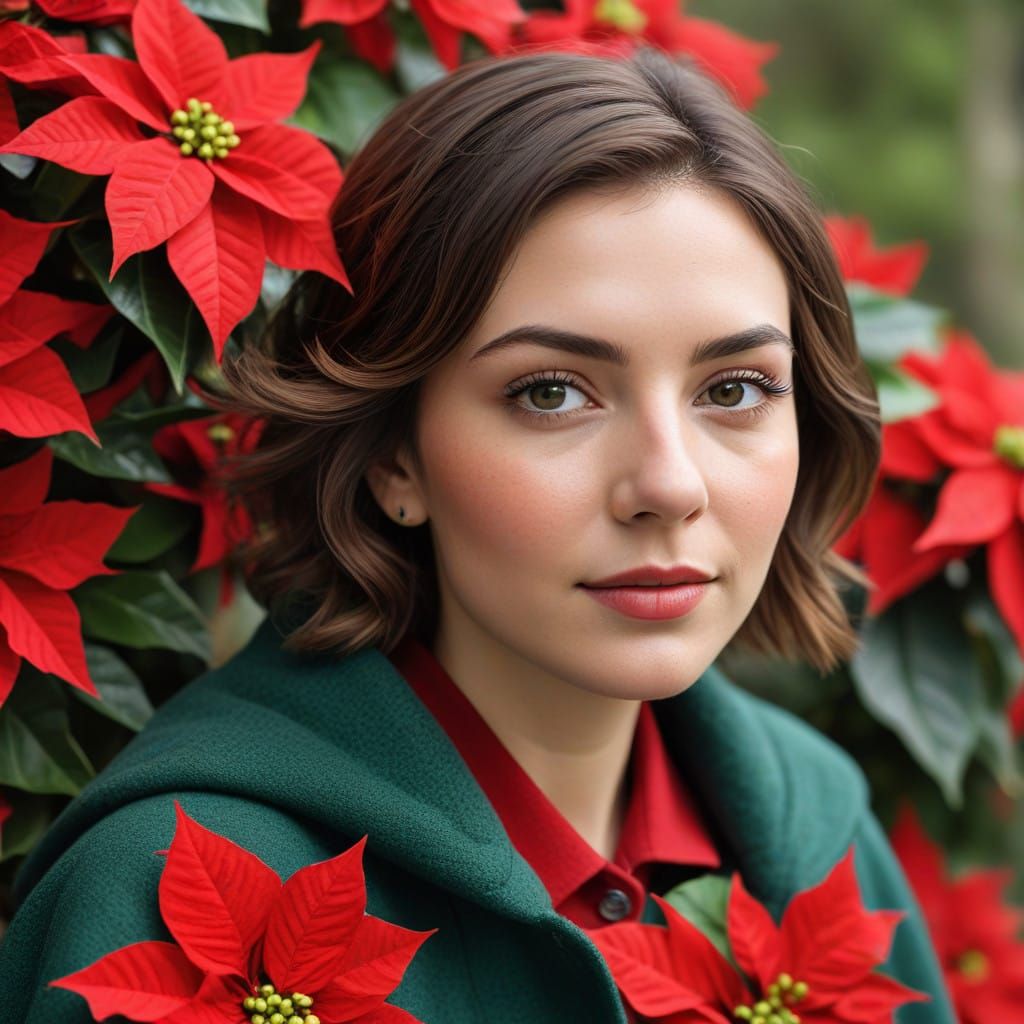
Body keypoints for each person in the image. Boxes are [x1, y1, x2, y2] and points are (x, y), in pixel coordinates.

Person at [0, 45, 956, 1023]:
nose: (668, 484)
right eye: (551, 392)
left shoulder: (816, 833)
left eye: (734, 389)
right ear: (393, 455)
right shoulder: (168, 885)